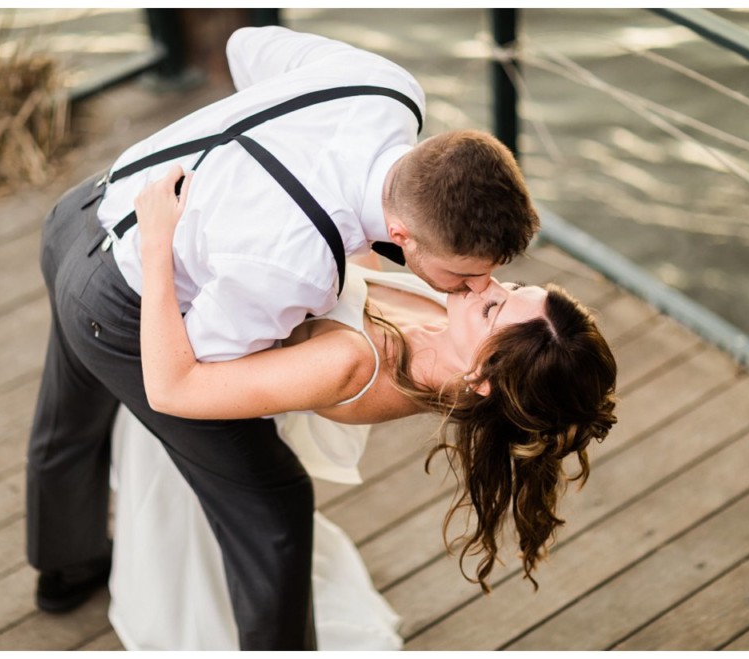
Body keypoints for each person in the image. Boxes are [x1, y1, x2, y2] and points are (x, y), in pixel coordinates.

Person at [27, 26, 538, 649]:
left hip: (83, 208)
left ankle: (64, 571)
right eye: (466, 272)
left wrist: (244, 170)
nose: (476, 286)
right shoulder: (296, 267)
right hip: (119, 297)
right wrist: (171, 251)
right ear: (402, 234)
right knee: (273, 506)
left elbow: (245, 46)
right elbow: (191, 374)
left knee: (71, 413)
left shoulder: (388, 90)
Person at [104, 167, 618, 648]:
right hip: (231, 324)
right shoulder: (462, 338)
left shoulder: (353, 362)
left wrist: (156, 244)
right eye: (517, 288)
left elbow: (175, 390)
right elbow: (356, 261)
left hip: (206, 390)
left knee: (181, 546)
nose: (488, 282)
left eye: (493, 307)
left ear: (482, 379)